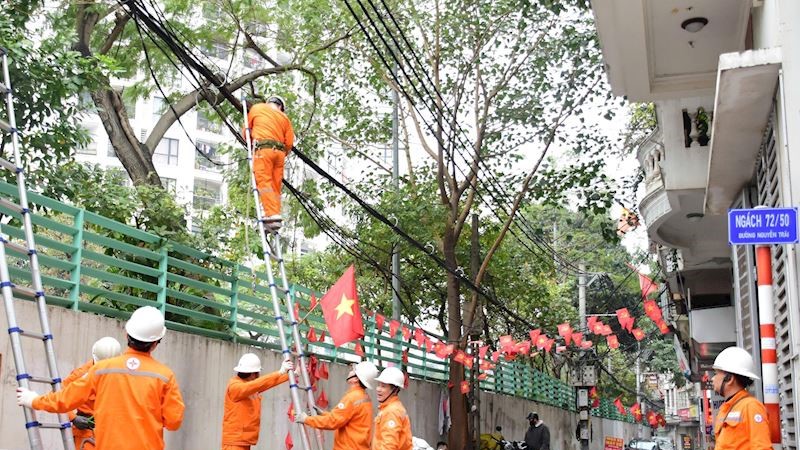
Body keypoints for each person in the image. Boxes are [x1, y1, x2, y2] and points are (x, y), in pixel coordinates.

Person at [16, 306, 185, 450]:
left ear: (126, 334)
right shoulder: (164, 376)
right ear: (156, 342)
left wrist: (34, 400)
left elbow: (64, 399)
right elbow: (174, 422)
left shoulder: (101, 370)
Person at [296, 361, 378, 450]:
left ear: (356, 379)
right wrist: (323, 414)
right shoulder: (364, 397)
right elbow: (344, 418)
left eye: (353, 370)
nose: (350, 371)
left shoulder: (352, 398)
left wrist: (306, 419)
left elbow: (332, 421)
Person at [221, 352, 295, 450]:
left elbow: (267, 383)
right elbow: (256, 384)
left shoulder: (249, 385)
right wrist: (279, 372)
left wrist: (293, 375)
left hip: (242, 440)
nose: (259, 375)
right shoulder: (236, 386)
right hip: (234, 442)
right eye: (258, 373)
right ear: (252, 374)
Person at [244, 95, 294, 232]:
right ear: (280, 107)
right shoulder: (284, 118)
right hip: (280, 154)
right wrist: (280, 153)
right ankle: (274, 216)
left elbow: (246, 132)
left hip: (263, 150)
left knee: (264, 182)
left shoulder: (257, 108)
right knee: (275, 186)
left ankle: (271, 215)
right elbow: (289, 143)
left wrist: (253, 144)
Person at [64, 336, 122, 450]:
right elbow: (59, 394)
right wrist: (73, 418)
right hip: (87, 433)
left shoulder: (121, 373)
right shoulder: (81, 374)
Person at [711, 346, 772, 449]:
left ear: (729, 379)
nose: (713, 378)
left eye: (716, 373)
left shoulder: (751, 407)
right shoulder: (725, 409)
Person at [372, 366, 412, 450]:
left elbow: (389, 446)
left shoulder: (392, 411)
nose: (378, 389)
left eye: (383, 386)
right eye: (378, 385)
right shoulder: (390, 408)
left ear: (395, 390)